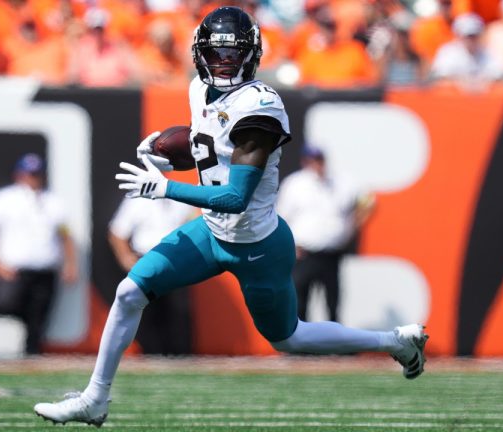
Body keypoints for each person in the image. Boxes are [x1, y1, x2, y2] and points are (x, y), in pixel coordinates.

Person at [33, 7, 428, 427]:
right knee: (130, 292)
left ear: (251, 56)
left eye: (232, 54)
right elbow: (211, 152)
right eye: (216, 54)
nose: (223, 63)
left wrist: (164, 188)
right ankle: (95, 399)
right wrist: (171, 154)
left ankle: (394, 341)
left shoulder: (261, 107)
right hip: (210, 232)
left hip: (257, 245)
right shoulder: (197, 91)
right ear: (200, 54)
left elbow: (237, 196)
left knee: (288, 338)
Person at [0, 153, 78, 355]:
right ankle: (10, 348)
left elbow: (65, 234)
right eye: (29, 174)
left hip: (45, 268)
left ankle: (31, 356)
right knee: (5, 305)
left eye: (36, 174)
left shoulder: (52, 201)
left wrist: (70, 263)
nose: (32, 179)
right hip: (15, 268)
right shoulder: (4, 198)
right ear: (19, 175)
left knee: (39, 317)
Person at [277, 146, 375, 323]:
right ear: (304, 162)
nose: (317, 165)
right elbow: (281, 218)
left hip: (331, 254)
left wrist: (352, 225)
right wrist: (289, 246)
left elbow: (368, 201)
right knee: (300, 301)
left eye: (320, 160)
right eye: (312, 161)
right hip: (303, 253)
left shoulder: (341, 182)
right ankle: (302, 345)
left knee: (333, 303)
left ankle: (335, 345)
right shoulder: (294, 184)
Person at [108, 196, 196, 354]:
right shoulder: (136, 200)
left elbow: (196, 218)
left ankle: (181, 357)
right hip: (147, 258)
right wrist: (126, 258)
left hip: (175, 261)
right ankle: (153, 356)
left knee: (178, 311)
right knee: (148, 311)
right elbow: (117, 231)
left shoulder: (177, 199)